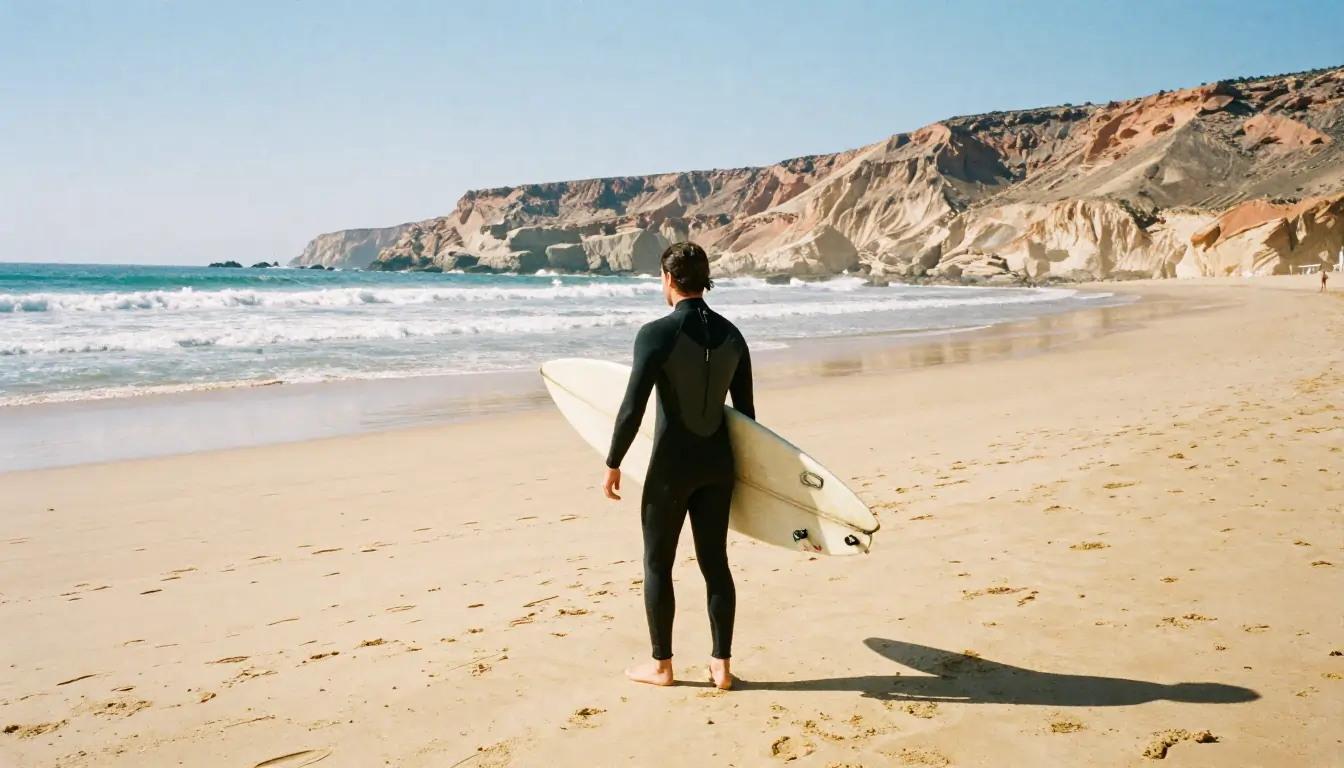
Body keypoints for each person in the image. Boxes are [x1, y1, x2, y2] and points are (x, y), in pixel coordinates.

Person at [603, 241, 754, 690]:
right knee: (716, 564)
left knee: (657, 564)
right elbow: (746, 417)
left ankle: (662, 667)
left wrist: (614, 462)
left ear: (668, 279)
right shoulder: (733, 335)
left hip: (671, 469)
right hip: (719, 467)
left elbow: (632, 407)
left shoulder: (655, 334)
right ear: (704, 279)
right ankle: (721, 666)